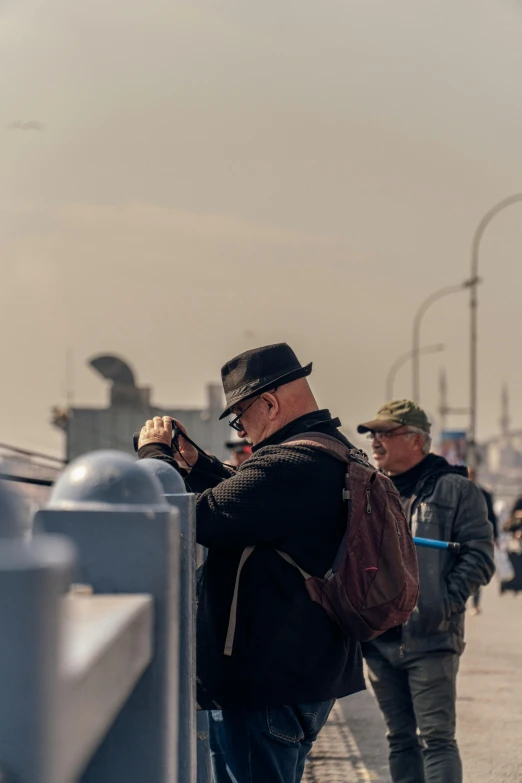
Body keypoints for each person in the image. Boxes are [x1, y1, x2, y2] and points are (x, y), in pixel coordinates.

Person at [137, 343, 365, 783]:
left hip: (269, 684)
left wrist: (155, 458)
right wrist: (196, 463)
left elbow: (199, 518)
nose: (241, 432)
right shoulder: (332, 452)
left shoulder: (292, 464)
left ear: (270, 403)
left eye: (240, 418)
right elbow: (251, 503)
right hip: (307, 673)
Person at [357, 400, 495, 783]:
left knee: (436, 739)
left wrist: (442, 605)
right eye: (373, 434)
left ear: (417, 441)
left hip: (431, 638)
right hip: (380, 640)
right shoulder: (368, 488)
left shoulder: (455, 489)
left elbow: (480, 556)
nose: (376, 441)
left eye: (386, 433)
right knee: (400, 739)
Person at [467, 467, 498, 615]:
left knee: (476, 571)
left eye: (472, 474)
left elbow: (492, 516)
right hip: (459, 539)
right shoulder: (456, 494)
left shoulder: (484, 494)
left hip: (478, 538)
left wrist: (495, 537)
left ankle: (475, 604)